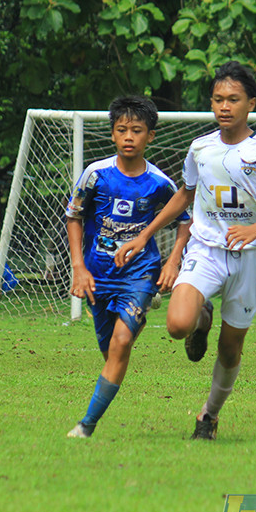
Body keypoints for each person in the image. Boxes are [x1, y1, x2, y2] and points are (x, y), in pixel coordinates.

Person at [117, 61, 256, 440]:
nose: (224, 106)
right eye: (218, 99)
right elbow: (184, 195)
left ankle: (209, 415)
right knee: (176, 324)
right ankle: (202, 317)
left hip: (251, 258)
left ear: (250, 103)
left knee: (230, 347)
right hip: (206, 250)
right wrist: (144, 234)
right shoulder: (200, 148)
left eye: (233, 99)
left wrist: (255, 228)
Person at [64, 96, 192, 439]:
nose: (129, 137)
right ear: (112, 135)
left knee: (121, 343)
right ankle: (137, 308)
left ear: (150, 136)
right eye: (122, 130)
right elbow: (73, 216)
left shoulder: (159, 183)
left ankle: (85, 426)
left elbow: (185, 221)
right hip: (98, 274)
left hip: (141, 271)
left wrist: (172, 262)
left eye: (137, 130)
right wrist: (79, 267)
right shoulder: (96, 175)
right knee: (111, 353)